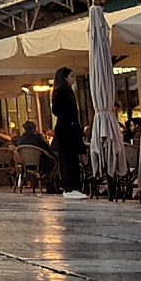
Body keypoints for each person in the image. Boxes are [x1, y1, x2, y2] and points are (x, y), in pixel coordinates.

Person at [50, 67, 86, 198]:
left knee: (71, 159)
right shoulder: (61, 92)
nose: (74, 79)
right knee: (68, 159)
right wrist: (69, 119)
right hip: (67, 130)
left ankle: (73, 186)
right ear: (65, 78)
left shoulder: (66, 91)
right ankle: (70, 187)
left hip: (69, 129)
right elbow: (56, 110)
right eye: (71, 76)